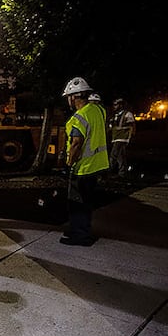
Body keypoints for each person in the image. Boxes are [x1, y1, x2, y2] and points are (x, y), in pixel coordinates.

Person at [60, 77, 109, 246]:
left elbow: (76, 144)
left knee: (77, 204)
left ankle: (80, 236)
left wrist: (69, 165)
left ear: (74, 97)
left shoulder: (79, 117)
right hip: (98, 165)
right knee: (87, 203)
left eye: (68, 97)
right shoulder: (99, 111)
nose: (68, 100)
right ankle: (81, 230)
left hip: (83, 168)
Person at [108, 98, 136, 177]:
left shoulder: (127, 114)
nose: (114, 106)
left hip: (122, 138)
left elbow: (132, 126)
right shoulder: (115, 115)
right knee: (120, 156)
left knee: (113, 155)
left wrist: (131, 136)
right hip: (116, 138)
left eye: (116, 105)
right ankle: (122, 173)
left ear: (121, 105)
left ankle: (109, 171)